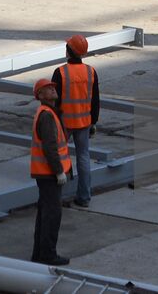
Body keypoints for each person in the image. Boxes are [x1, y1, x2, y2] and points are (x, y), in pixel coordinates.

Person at [52, 34, 100, 209]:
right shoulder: (90, 71)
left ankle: (58, 197)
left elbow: (53, 100)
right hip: (84, 122)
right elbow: (95, 100)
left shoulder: (61, 73)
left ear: (69, 51)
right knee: (83, 158)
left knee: (59, 158)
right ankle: (84, 197)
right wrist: (93, 121)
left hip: (64, 123)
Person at [29, 78, 72, 266]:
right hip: (49, 175)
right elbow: (50, 147)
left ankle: (39, 254)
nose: (53, 90)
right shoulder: (47, 115)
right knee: (52, 215)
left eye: (53, 88)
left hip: (45, 174)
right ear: (40, 95)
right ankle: (47, 255)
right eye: (48, 89)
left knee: (45, 214)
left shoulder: (49, 113)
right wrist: (58, 172)